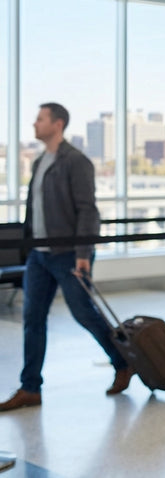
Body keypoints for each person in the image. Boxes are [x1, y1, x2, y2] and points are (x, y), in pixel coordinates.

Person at [0, 103, 131, 412]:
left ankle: (123, 362)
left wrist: (84, 255)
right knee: (32, 319)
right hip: (39, 255)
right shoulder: (40, 161)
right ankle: (30, 387)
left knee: (83, 313)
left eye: (40, 119)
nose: (34, 124)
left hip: (69, 254)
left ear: (57, 124)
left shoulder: (76, 161)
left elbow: (88, 210)